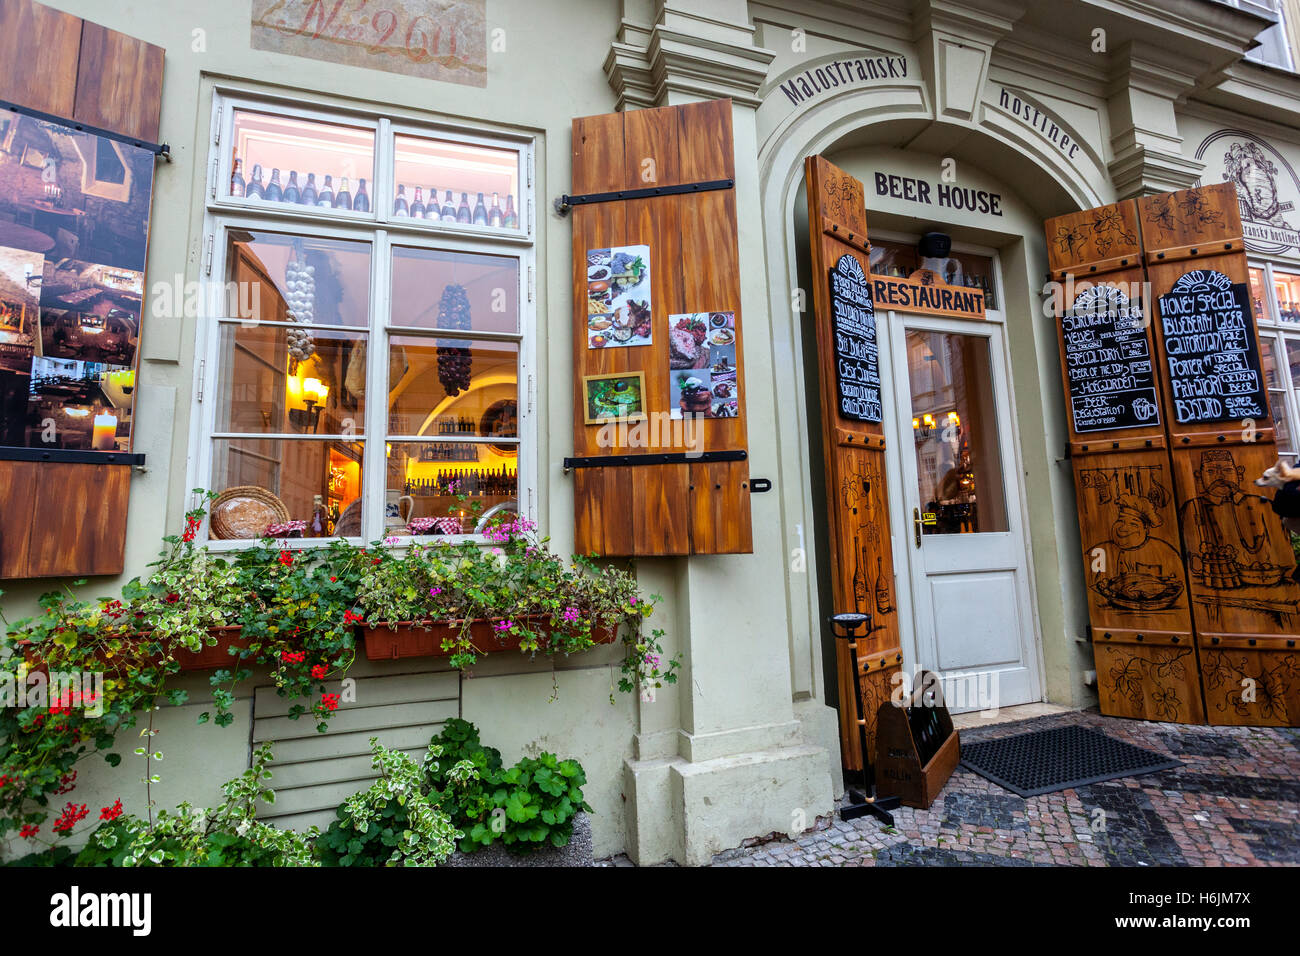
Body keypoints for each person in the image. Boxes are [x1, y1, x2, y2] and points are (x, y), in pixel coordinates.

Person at [1179, 449, 1274, 589]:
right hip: (1215, 586)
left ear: (1239, 472)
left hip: (1265, 583)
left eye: (1227, 470)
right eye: (1211, 472)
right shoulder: (1191, 508)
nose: (1220, 477)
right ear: (1199, 476)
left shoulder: (1261, 504)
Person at [1090, 494, 1184, 602]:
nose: (1123, 528)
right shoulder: (1099, 552)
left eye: (1133, 524)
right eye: (1121, 521)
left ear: (1146, 528)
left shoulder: (1166, 552)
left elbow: (1179, 586)